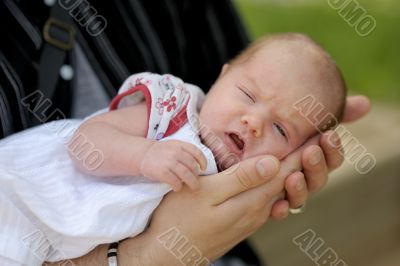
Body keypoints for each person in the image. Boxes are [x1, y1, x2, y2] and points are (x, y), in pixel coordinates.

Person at [0, 33, 370, 265]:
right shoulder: (172, 110)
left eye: (280, 129)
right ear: (221, 77)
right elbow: (83, 144)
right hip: (23, 202)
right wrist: (144, 156)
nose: (253, 121)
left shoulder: (232, 184)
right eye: (247, 95)